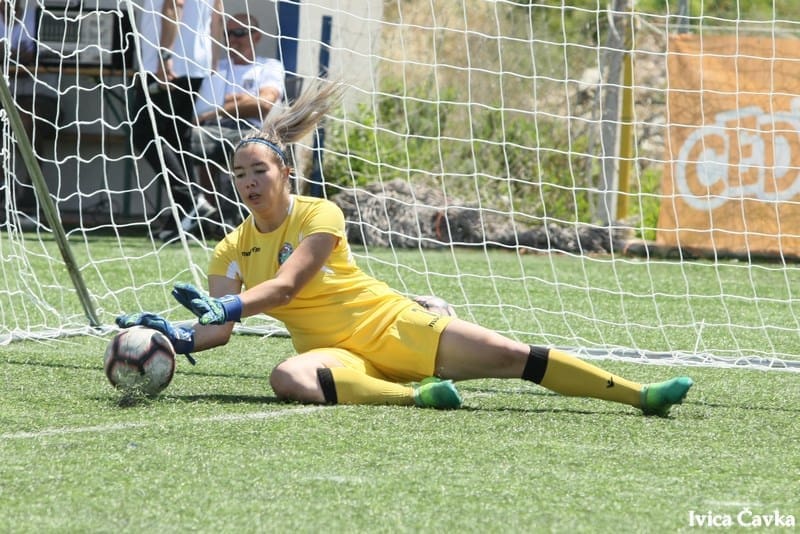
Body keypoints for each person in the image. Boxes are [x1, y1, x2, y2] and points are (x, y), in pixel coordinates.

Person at [117, 81, 694, 415]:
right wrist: (175, 334)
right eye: (239, 173)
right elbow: (217, 332)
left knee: (513, 357)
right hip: (336, 355)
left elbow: (288, 287)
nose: (248, 182)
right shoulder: (229, 248)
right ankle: (417, 396)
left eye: (258, 170)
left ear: (285, 171)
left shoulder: (321, 213)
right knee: (288, 378)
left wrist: (231, 305)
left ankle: (641, 396)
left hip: (393, 324)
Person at [131, 0, 222, 242]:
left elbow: (174, 4)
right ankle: (183, 215)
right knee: (177, 138)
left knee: (144, 134)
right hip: (196, 62)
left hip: (170, 63)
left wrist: (164, 55)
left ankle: (190, 199)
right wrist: (213, 56)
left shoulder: (166, 58)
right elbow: (217, 13)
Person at [190, 12, 284, 232]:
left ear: (256, 36)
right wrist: (241, 100)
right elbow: (200, 107)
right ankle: (202, 212)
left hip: (252, 130)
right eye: (228, 34)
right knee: (186, 140)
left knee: (242, 148)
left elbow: (264, 104)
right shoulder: (215, 67)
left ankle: (233, 218)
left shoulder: (268, 66)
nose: (233, 39)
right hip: (213, 128)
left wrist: (220, 107)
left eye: (240, 33)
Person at [0, 0, 59, 215]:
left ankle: (31, 191)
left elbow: (52, 55)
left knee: (25, 118)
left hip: (41, 95)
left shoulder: (41, 15)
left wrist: (21, 57)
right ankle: (4, 187)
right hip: (5, 97)